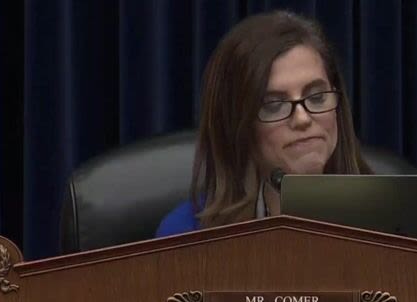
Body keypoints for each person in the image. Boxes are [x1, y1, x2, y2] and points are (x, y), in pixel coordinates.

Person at [156, 10, 372, 237]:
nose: (302, 118)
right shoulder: (185, 235)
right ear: (239, 126)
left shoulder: (386, 216)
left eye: (317, 97)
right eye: (274, 105)